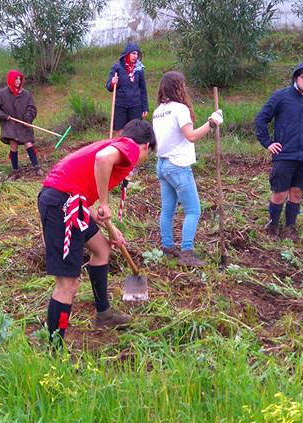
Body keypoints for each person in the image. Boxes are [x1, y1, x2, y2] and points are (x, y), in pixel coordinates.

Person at [38, 119, 156, 347]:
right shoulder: (129, 147)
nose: (140, 162)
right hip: (61, 203)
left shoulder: (114, 146)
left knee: (102, 249)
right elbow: (103, 160)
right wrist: (105, 202)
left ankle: (104, 314)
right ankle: (54, 351)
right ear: (146, 147)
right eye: (147, 155)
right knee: (67, 285)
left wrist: (109, 227)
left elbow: (82, 194)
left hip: (71, 201)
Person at [151, 71, 223, 266]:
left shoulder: (158, 111)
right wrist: (212, 122)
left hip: (163, 165)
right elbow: (190, 136)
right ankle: (187, 253)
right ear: (179, 87)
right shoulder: (180, 109)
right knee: (193, 210)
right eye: (183, 85)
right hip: (178, 166)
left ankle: (167, 247)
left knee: (167, 210)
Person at [254, 62, 303, 242]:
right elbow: (261, 119)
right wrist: (268, 143)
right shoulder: (281, 96)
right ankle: (272, 226)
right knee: (279, 192)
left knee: (296, 193)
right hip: (285, 154)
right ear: (296, 78)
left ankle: (290, 227)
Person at [0, 70, 41, 179]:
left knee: (28, 143)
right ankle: (15, 171)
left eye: (19, 79)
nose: (18, 81)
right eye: (15, 79)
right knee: (13, 145)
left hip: (23, 123)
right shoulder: (1, 94)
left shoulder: (26, 94)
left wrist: (28, 118)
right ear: (10, 80)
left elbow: (32, 108)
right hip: (9, 123)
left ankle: (37, 167)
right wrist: (3, 116)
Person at [105, 42, 149, 135]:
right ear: (127, 54)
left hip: (136, 105)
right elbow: (109, 87)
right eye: (133, 53)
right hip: (120, 105)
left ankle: (133, 149)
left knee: (135, 133)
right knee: (121, 133)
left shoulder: (139, 69)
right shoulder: (116, 67)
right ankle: (122, 149)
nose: (136, 56)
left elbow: (143, 89)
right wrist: (113, 82)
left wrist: (145, 107)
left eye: (137, 54)